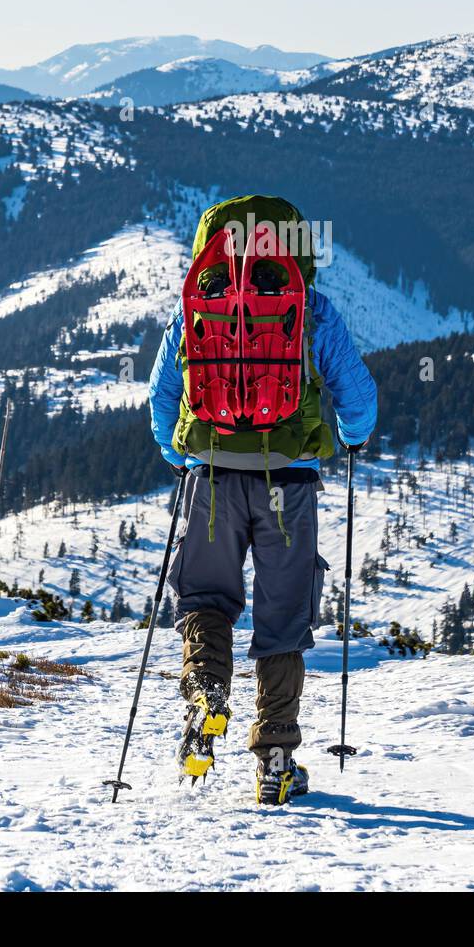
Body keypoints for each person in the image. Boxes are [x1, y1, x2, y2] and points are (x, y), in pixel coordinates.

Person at [148, 194, 377, 805]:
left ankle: (204, 699)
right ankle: (275, 761)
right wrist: (351, 439)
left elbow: (163, 398)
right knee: (282, 618)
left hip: (212, 479)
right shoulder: (312, 311)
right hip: (290, 486)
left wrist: (179, 457)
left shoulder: (196, 308)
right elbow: (360, 400)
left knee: (204, 597)